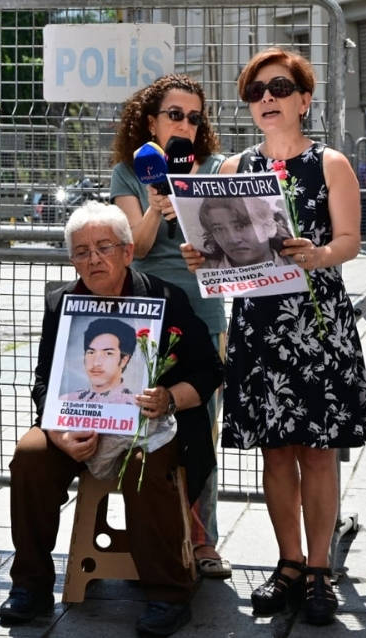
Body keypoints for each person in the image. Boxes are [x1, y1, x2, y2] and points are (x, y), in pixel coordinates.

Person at [181, 47, 366, 626]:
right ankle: (288, 563)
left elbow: (349, 242)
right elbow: (218, 246)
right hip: (259, 323)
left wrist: (317, 255)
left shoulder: (331, 163)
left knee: (317, 452)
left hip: (317, 322)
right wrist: (201, 256)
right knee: (275, 449)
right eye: (256, 91)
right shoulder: (234, 169)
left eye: (280, 87)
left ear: (304, 100)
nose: (267, 97)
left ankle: (319, 569)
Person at [1, 201, 223, 636]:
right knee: (30, 454)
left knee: (145, 463)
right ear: (71, 260)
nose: (93, 259)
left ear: (127, 251)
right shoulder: (60, 304)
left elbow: (211, 371)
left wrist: (169, 398)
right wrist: (57, 432)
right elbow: (44, 383)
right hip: (79, 425)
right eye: (81, 251)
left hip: (153, 428)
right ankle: (30, 584)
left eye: (104, 247)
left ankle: (168, 593)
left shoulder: (164, 297)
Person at [108, 73, 230, 578]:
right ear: (151, 120)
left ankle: (203, 542)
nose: (184, 124)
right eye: (174, 115)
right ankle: (155, 532)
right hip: (146, 313)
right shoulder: (130, 173)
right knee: (146, 427)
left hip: (204, 313)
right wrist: (159, 205)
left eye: (194, 117)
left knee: (202, 426)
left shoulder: (218, 168)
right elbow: (130, 248)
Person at [196, 195, 291, 268]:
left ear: (269, 227)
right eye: (218, 229)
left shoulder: (297, 264)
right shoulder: (204, 270)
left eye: (241, 226)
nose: (232, 239)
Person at [70, 318, 136, 404]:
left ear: (124, 360)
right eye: (91, 352)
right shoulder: (68, 401)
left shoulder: (136, 405)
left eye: (108, 353)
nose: (96, 363)